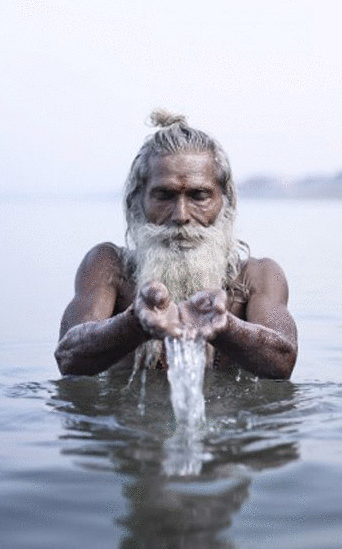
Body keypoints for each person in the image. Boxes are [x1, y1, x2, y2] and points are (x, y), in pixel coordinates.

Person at [55, 110, 297, 379]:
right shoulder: (108, 267)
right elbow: (68, 356)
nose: (181, 215)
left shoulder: (258, 276)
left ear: (224, 201)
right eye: (164, 195)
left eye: (199, 195)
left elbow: (283, 359)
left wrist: (226, 327)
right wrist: (134, 323)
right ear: (138, 201)